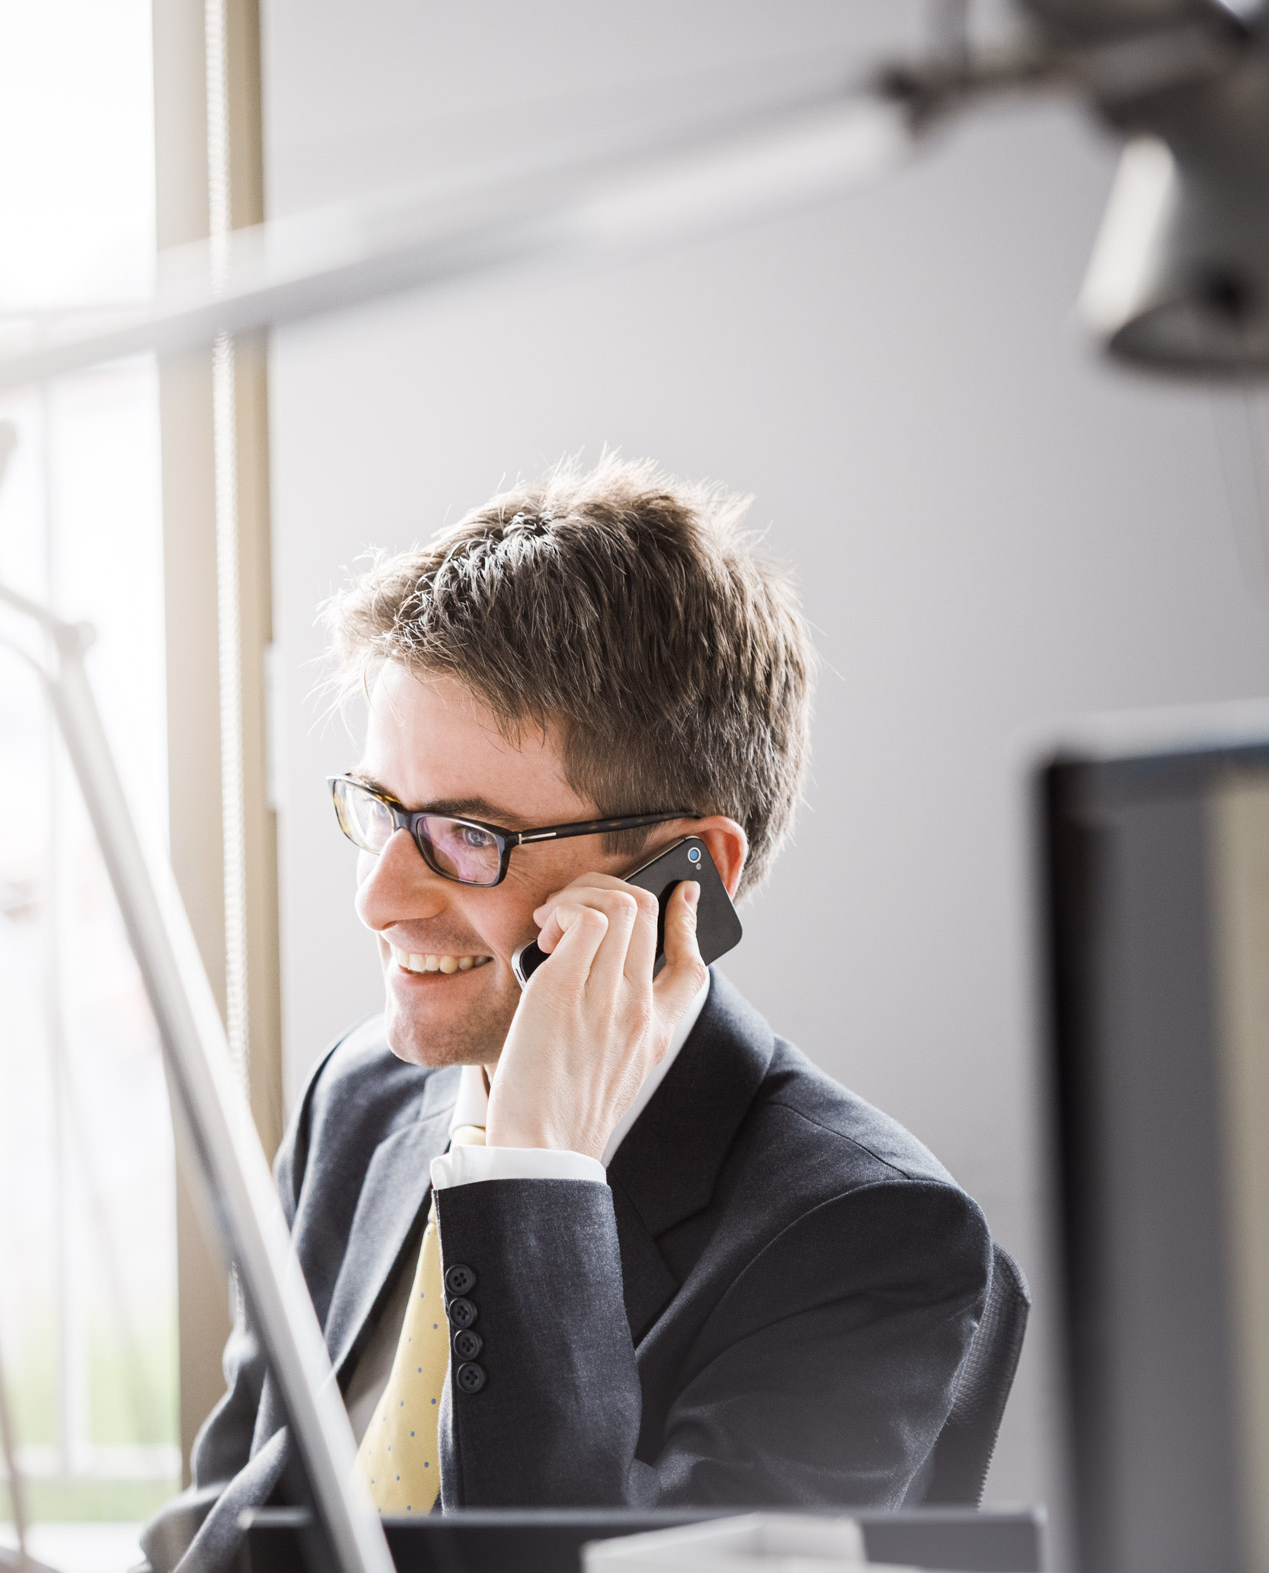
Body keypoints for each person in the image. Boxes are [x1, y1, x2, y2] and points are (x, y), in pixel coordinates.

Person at [142, 456, 995, 1573]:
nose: (378, 896)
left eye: (464, 833)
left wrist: (533, 1179)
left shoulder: (870, 1243)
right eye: (382, 810)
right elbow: (219, 1526)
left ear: (684, 879)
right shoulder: (364, 1099)